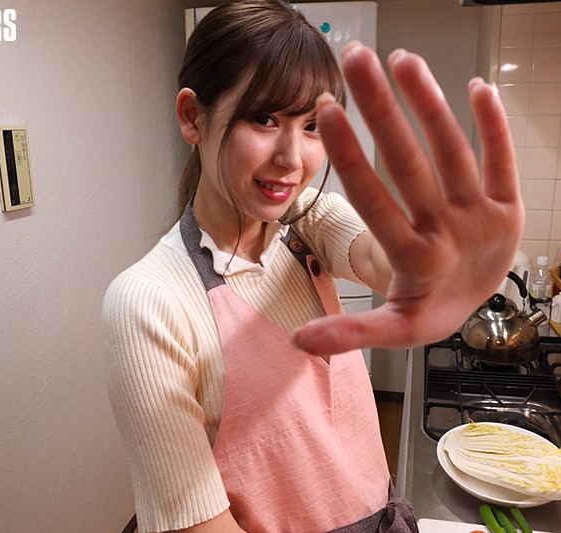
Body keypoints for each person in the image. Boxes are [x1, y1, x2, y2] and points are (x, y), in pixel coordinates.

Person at [102, 1, 524, 532]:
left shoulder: (305, 221)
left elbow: (380, 262)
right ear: (193, 116)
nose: (292, 158)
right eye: (264, 118)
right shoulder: (149, 303)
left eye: (312, 126)